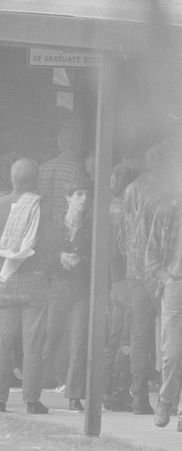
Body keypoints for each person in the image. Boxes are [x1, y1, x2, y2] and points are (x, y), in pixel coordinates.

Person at [0, 158, 51, 414]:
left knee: (3, 343)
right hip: (34, 280)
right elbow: (52, 246)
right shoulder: (41, 207)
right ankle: (31, 400)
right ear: (36, 179)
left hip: (4, 279)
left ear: (12, 179)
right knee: (33, 343)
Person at [120, 142, 169, 414]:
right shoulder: (169, 191)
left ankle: (139, 398)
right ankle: (169, 399)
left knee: (139, 333)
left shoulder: (131, 189)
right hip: (159, 270)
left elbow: (125, 232)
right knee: (171, 331)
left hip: (135, 270)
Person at [42, 181, 92, 411]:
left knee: (78, 342)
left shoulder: (92, 228)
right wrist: (59, 257)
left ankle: (74, 395)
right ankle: (36, 384)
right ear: (68, 198)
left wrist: (82, 261)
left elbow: (100, 259)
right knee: (50, 337)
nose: (83, 199)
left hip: (81, 290)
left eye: (86, 195)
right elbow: (42, 253)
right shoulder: (54, 225)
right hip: (57, 287)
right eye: (79, 194)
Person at [146, 166, 182, 431]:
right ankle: (166, 400)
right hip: (176, 286)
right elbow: (152, 255)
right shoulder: (167, 211)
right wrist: (168, 279)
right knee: (171, 353)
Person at [102, 163, 140, 412]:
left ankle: (105, 390)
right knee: (126, 339)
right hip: (127, 280)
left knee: (114, 339)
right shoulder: (128, 213)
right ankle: (118, 393)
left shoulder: (108, 210)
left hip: (114, 281)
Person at [38, 116, 88, 227]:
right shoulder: (77, 170)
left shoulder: (43, 168)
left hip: (45, 226)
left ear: (60, 141)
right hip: (65, 227)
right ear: (78, 142)